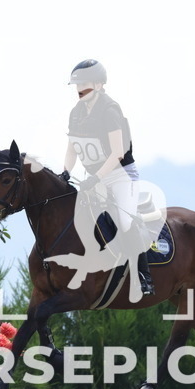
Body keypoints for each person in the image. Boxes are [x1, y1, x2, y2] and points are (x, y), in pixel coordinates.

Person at [60, 59, 155, 295]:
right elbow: (72, 148)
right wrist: (65, 171)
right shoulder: (76, 113)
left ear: (99, 84)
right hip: (95, 177)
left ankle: (144, 276)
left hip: (121, 175)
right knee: (83, 215)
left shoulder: (110, 111)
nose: (79, 89)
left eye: (84, 84)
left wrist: (97, 178)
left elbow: (117, 153)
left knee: (124, 221)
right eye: (77, 85)